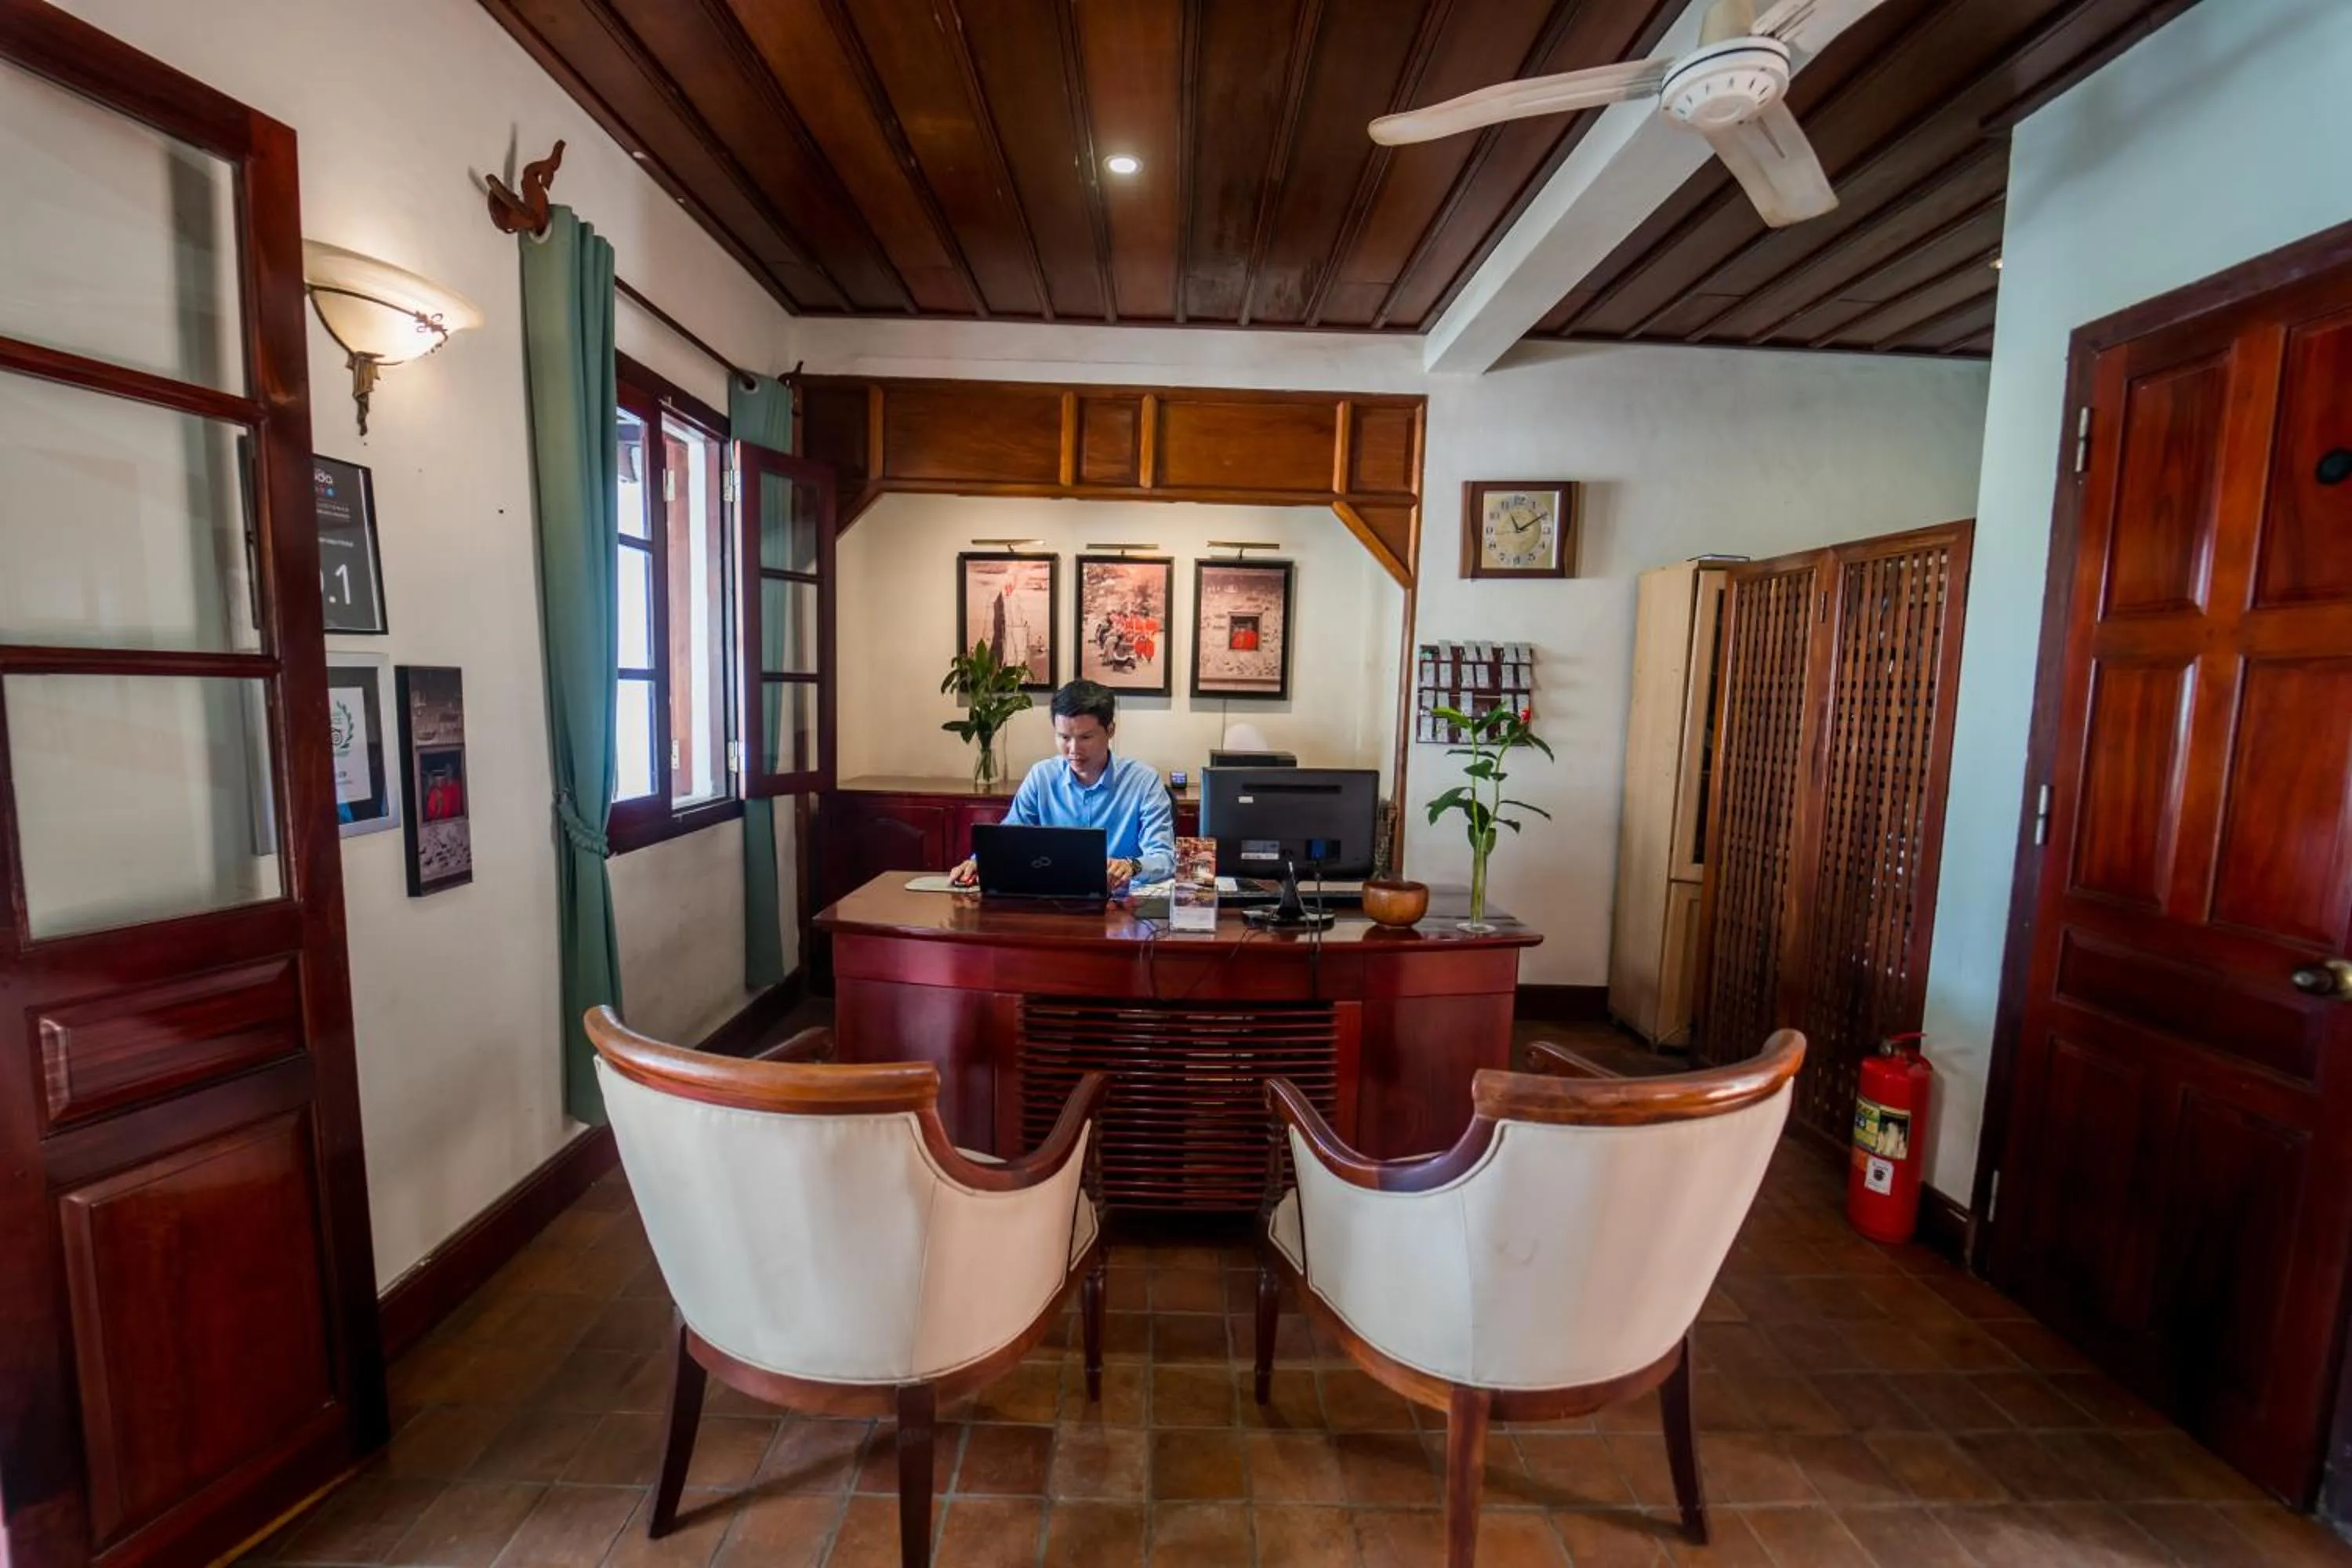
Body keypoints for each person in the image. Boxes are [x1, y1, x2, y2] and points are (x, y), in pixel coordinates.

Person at [950, 679, 1175, 892]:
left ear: (1110, 731)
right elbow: (1010, 838)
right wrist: (978, 863)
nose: (1074, 749)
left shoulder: (1144, 782)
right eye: (1064, 737)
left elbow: (1164, 857)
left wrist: (1131, 866)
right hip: (1050, 903)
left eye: (1086, 737)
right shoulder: (1042, 777)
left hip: (1121, 909)